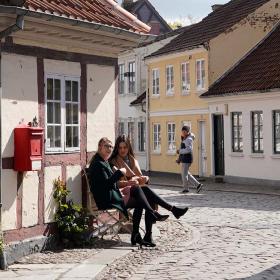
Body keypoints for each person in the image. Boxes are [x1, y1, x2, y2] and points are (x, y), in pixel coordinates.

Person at [88, 137, 172, 248]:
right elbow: (107, 184)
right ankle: (155, 214)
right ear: (100, 147)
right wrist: (120, 173)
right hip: (107, 200)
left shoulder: (104, 161)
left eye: (111, 146)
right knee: (139, 193)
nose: (109, 149)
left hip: (111, 195)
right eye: (106, 146)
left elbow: (110, 184)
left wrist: (130, 180)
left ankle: (138, 232)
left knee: (142, 192)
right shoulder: (98, 163)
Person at [109, 134, 189, 247]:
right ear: (117, 148)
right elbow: (115, 183)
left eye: (125, 147)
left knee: (144, 194)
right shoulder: (113, 162)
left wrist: (143, 179)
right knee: (144, 195)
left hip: (134, 191)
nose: (122, 150)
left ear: (129, 147)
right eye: (120, 148)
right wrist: (132, 181)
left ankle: (144, 234)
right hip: (123, 193)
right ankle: (166, 214)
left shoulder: (132, 160)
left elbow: (137, 177)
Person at [177, 126, 203, 193]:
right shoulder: (185, 138)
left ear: (187, 132)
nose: (183, 133)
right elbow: (182, 148)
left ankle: (186, 188)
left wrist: (180, 151)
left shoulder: (189, 139)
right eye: (182, 131)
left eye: (184, 132)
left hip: (187, 158)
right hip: (184, 158)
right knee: (186, 173)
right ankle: (198, 185)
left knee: (184, 174)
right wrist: (179, 159)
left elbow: (189, 150)